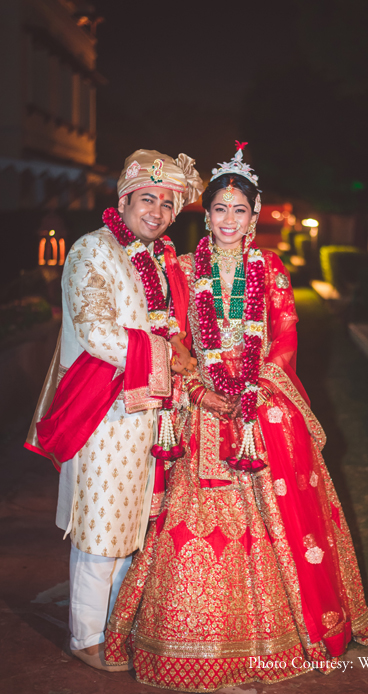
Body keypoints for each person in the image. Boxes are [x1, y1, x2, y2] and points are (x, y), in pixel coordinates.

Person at [105, 143, 368, 689]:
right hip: (201, 407)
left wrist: (255, 389)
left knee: (273, 508)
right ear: (205, 215)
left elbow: (284, 339)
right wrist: (199, 389)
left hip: (258, 404)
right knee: (187, 527)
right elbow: (172, 336)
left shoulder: (271, 270)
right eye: (219, 209)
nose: (229, 220)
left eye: (239, 210)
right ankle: (187, 642)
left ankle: (281, 634)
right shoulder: (181, 270)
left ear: (254, 217)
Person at [25, 149, 203, 671]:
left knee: (137, 533)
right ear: (124, 201)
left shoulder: (158, 259)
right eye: (148, 199)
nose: (158, 211)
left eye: (168, 204)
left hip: (152, 413)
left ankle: (119, 628)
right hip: (105, 414)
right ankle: (85, 637)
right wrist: (170, 354)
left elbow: (174, 323)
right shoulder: (90, 251)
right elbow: (98, 331)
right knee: (103, 533)